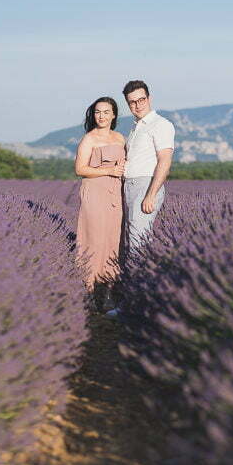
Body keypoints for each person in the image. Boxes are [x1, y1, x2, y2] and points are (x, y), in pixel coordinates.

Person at [103, 80, 175, 318]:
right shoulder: (136, 127)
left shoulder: (160, 125)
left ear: (149, 98)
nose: (137, 104)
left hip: (146, 186)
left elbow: (164, 161)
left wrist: (151, 194)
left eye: (141, 99)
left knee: (138, 248)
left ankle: (134, 308)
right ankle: (137, 303)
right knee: (131, 246)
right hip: (131, 187)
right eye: (132, 102)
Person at [74, 96, 126, 311]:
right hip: (95, 192)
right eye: (97, 112)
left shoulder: (120, 138)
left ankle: (107, 293)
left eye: (106, 112)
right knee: (93, 241)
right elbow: (80, 169)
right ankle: (87, 293)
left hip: (114, 193)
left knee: (113, 241)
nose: (101, 116)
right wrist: (109, 171)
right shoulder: (90, 139)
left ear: (113, 114)